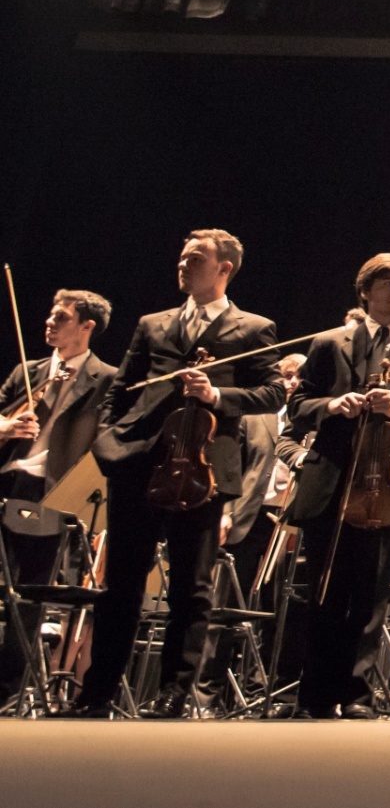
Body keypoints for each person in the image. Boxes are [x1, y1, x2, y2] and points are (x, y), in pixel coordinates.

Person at [75, 230, 285, 719]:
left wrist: (217, 396)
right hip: (138, 463)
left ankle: (173, 693)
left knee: (190, 588)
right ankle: (97, 693)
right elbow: (122, 389)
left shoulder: (254, 329)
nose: (183, 264)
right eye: (183, 257)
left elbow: (274, 393)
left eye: (195, 259)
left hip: (202, 467)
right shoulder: (153, 324)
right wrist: (109, 441)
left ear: (224, 268)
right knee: (121, 585)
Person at [284, 254, 390, 719]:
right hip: (333, 480)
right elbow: (298, 406)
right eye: (389, 282)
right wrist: (331, 405)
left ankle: (357, 696)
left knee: (370, 597)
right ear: (365, 291)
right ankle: (315, 695)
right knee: (324, 592)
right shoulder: (328, 342)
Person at [0, 289, 116, 698]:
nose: (50, 322)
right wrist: (6, 427)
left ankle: (8, 687)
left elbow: (107, 441)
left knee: (31, 593)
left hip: (53, 492)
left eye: (61, 317)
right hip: (8, 479)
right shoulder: (27, 370)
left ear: (87, 327)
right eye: (51, 315)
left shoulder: (107, 379)